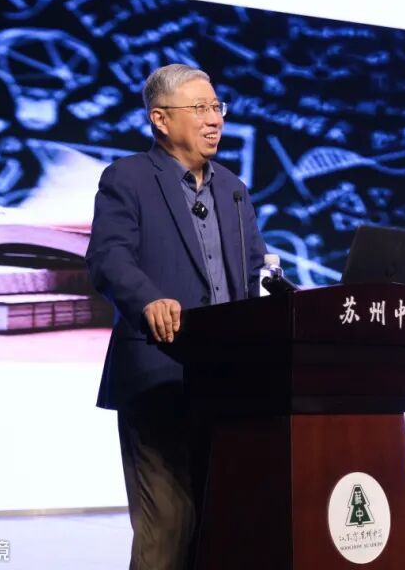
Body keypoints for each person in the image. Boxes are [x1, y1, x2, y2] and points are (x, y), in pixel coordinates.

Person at [86, 63, 266, 570]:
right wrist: (148, 299)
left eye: (217, 107)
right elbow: (108, 257)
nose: (214, 119)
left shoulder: (232, 188)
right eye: (200, 108)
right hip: (159, 371)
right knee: (167, 523)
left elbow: (257, 271)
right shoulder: (128, 178)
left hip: (229, 382)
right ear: (160, 119)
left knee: (224, 521)